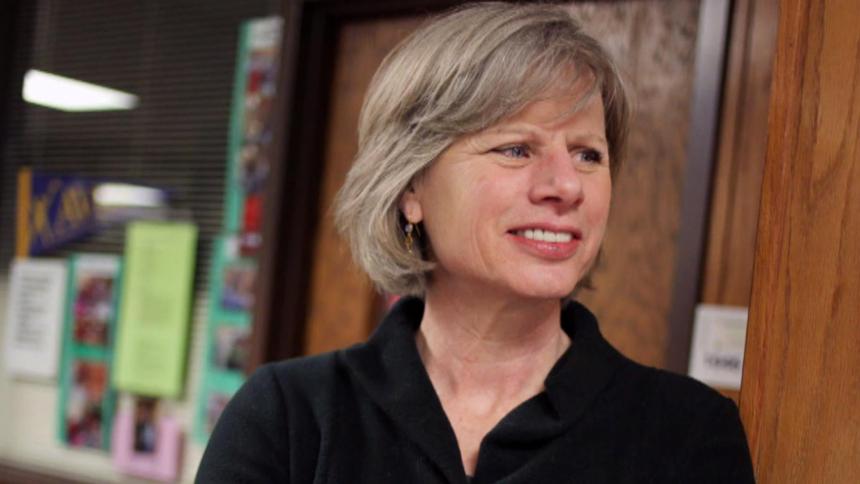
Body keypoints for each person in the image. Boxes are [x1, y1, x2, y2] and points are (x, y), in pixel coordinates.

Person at [197, 3, 755, 482]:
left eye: (588, 154)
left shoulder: (688, 436)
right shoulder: (287, 418)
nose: (566, 186)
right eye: (516, 149)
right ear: (410, 188)